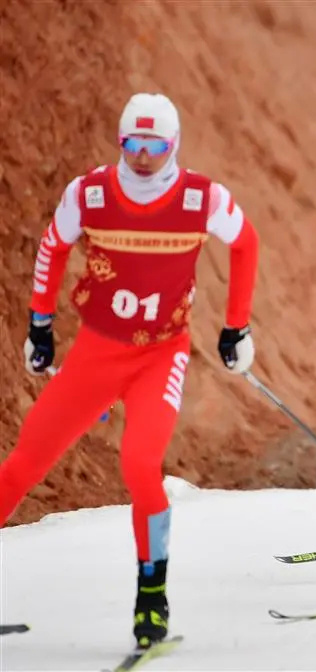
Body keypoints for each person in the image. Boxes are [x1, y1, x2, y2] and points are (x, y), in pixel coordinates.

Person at [0, 93, 259, 649]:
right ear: (121, 144)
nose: (143, 157)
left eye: (155, 147)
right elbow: (51, 247)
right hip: (97, 350)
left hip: (159, 354)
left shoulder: (201, 197)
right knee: (22, 463)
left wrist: (236, 327)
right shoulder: (90, 193)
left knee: (141, 464)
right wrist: (39, 325)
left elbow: (246, 243)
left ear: (174, 147)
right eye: (133, 146)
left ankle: (151, 596)